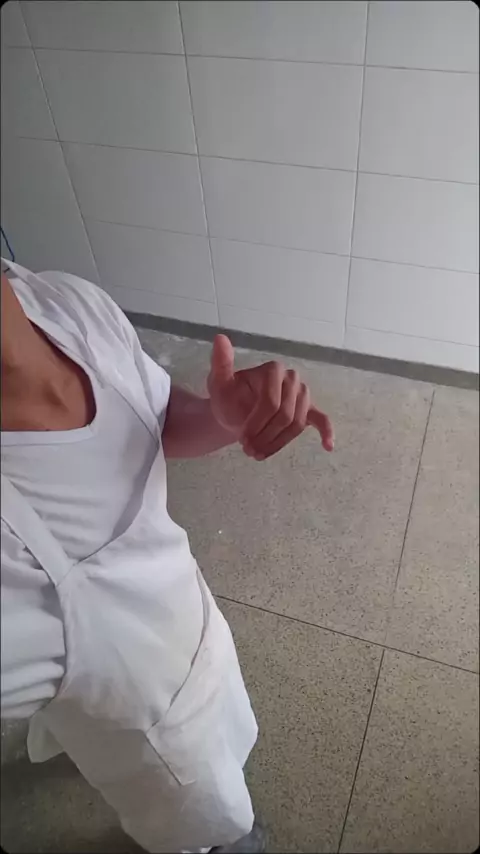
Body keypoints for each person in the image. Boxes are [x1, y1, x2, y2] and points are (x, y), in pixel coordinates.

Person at [0, 259, 334, 853]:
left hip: (192, 627)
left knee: (210, 737)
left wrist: (221, 418)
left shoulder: (61, 303)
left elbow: (151, 421)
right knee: (198, 813)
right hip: (151, 730)